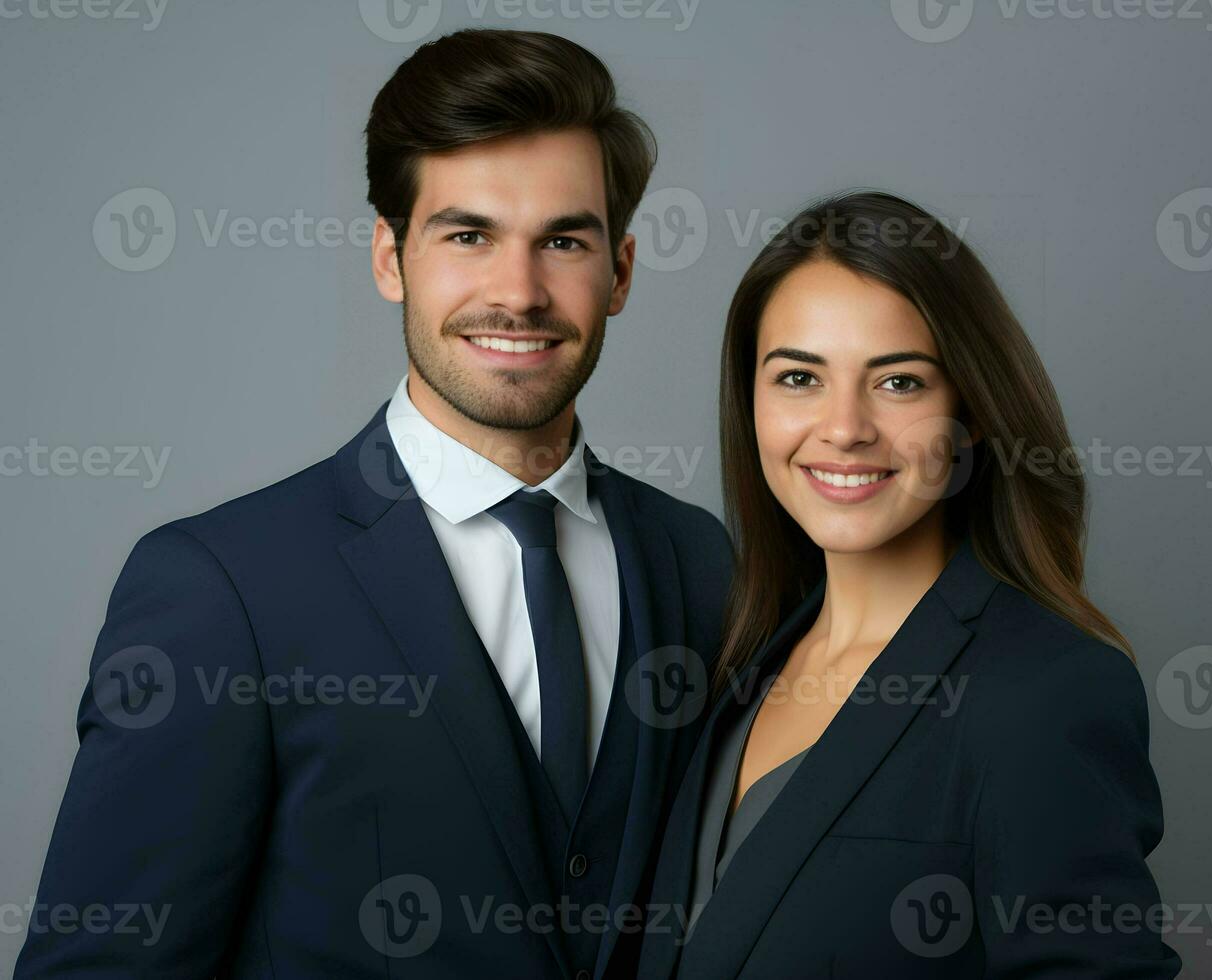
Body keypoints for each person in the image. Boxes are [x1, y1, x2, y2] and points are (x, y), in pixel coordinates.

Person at [16, 29, 729, 979]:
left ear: (622, 272)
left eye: (562, 240)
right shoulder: (222, 590)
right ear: (390, 258)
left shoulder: (697, 560)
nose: (517, 293)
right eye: (467, 235)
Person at [636, 191, 1182, 978]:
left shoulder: (1047, 690)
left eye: (898, 384)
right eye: (797, 378)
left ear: (973, 410)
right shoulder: (738, 664)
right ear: (748, 401)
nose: (845, 427)